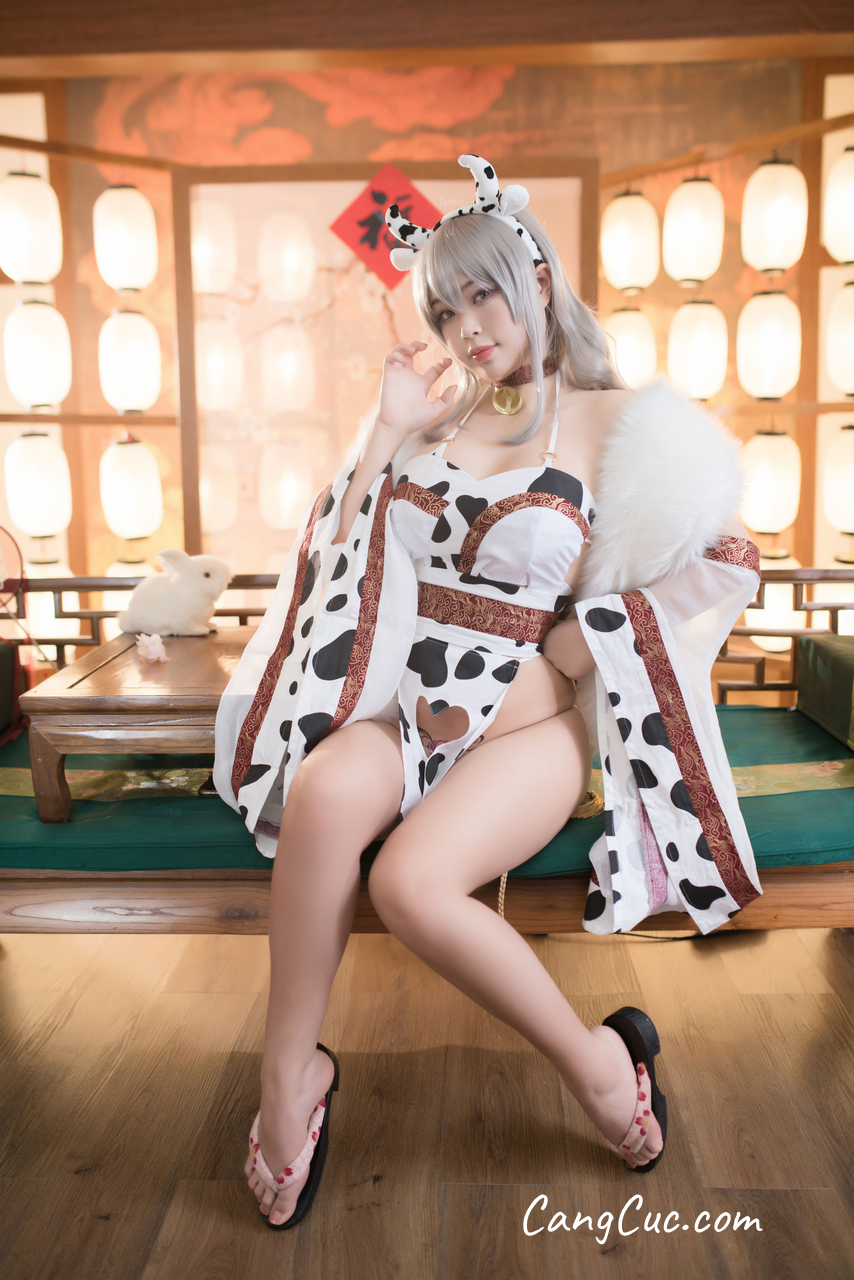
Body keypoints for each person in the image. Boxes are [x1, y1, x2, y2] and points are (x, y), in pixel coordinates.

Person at [213, 156, 763, 1229]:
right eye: (444, 308)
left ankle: (599, 1065)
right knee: (322, 789)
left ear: (537, 281)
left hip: (527, 735)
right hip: (404, 713)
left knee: (409, 884)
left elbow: (729, 558)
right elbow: (338, 560)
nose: (467, 326)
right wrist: (382, 427)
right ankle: (289, 1076)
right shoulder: (431, 424)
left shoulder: (618, 422)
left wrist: (576, 647)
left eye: (482, 294)